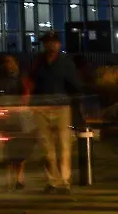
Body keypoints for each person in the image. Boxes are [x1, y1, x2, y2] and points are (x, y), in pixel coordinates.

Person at [29, 31, 83, 194]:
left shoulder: (65, 62)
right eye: (47, 42)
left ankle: (64, 180)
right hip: (42, 106)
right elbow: (32, 81)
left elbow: (75, 84)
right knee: (47, 146)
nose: (50, 45)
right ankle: (53, 180)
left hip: (61, 106)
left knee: (64, 144)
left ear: (59, 44)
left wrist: (75, 100)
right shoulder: (39, 61)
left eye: (53, 42)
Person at [0, 55, 34, 191]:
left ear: (16, 63)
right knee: (10, 148)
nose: (8, 65)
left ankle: (18, 178)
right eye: (6, 62)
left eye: (9, 62)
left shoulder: (21, 78)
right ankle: (13, 179)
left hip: (19, 115)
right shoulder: (7, 79)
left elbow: (26, 96)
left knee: (19, 147)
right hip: (10, 115)